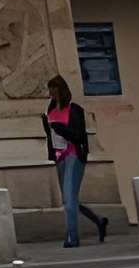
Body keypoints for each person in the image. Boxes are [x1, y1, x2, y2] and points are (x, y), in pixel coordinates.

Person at [43, 75, 110, 248]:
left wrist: (60, 129)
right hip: (59, 156)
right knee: (69, 199)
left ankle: (72, 237)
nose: (50, 92)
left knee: (69, 198)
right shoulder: (50, 109)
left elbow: (78, 135)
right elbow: (51, 135)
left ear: (60, 90)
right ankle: (98, 221)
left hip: (73, 154)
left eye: (53, 89)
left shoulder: (74, 109)